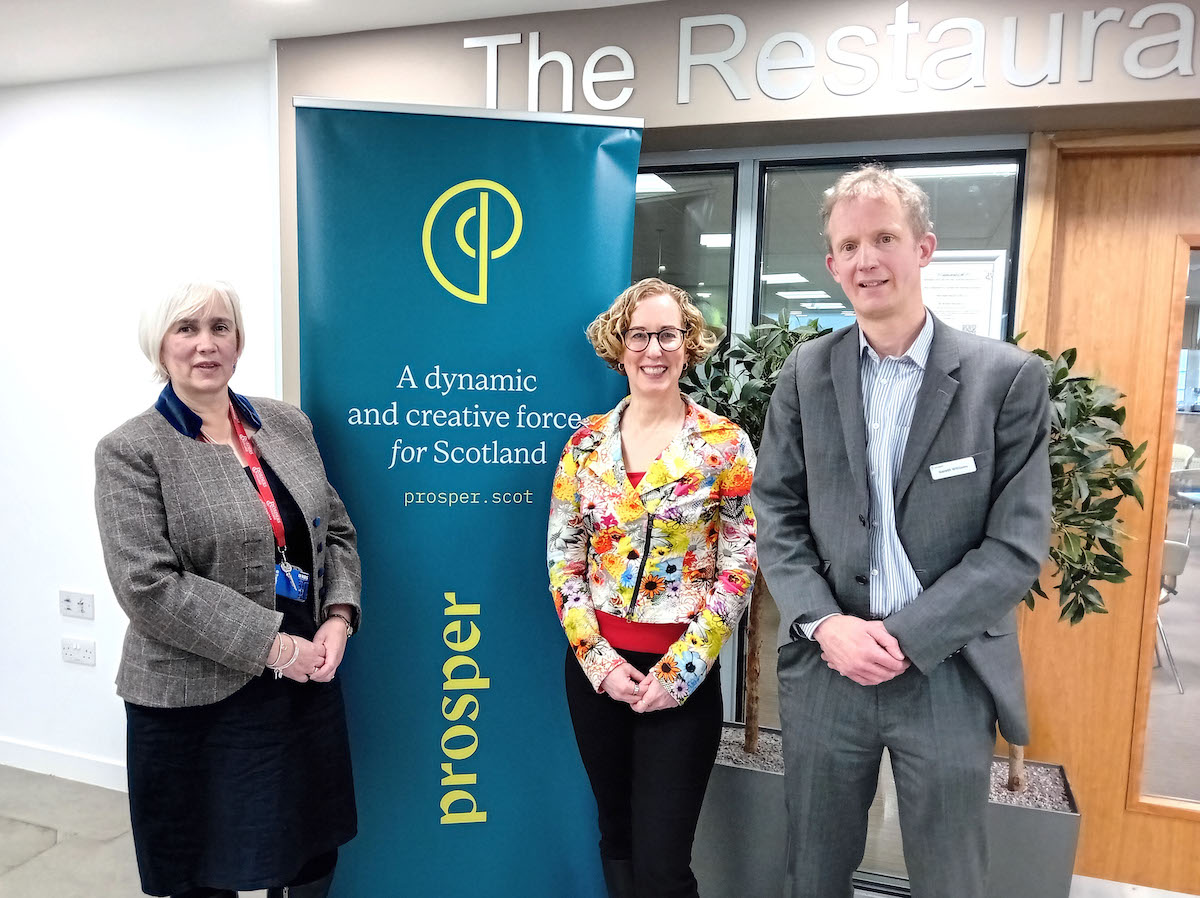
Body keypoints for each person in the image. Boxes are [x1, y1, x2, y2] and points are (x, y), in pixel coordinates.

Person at [752, 166, 1051, 898]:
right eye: (849, 244)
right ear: (831, 264)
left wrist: (907, 638)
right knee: (812, 873)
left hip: (946, 673)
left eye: (884, 237)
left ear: (923, 248)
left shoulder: (1005, 380)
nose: (866, 259)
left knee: (951, 878)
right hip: (829, 671)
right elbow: (777, 515)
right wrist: (827, 626)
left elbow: (1015, 546)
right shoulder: (804, 374)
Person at [94, 280, 361, 898]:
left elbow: (337, 531)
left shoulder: (288, 426)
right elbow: (148, 586)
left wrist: (338, 616)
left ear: (239, 340)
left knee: (309, 854)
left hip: (303, 686)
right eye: (186, 329)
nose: (205, 344)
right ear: (158, 345)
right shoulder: (131, 450)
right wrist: (278, 648)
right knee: (203, 873)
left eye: (220, 327)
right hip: (195, 699)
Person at [547, 277, 757, 898]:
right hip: (599, 674)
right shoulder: (585, 447)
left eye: (668, 334)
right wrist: (599, 663)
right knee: (616, 836)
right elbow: (564, 561)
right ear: (620, 346)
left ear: (688, 343)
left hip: (681, 679)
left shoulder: (724, 445)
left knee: (664, 864)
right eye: (639, 335)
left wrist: (681, 673)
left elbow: (739, 565)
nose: (653, 349)